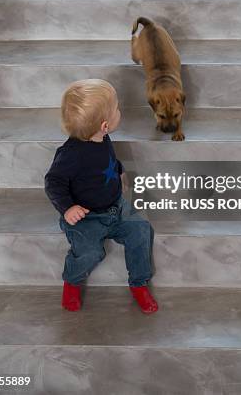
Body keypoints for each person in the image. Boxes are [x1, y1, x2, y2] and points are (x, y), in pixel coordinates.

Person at [44, 78, 158, 314]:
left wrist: (119, 172)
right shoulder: (71, 154)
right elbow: (53, 181)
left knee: (141, 231)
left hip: (114, 208)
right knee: (91, 251)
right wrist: (67, 208)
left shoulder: (102, 138)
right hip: (86, 218)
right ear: (105, 125)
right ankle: (72, 281)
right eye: (117, 109)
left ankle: (139, 282)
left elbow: (106, 161)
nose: (120, 111)